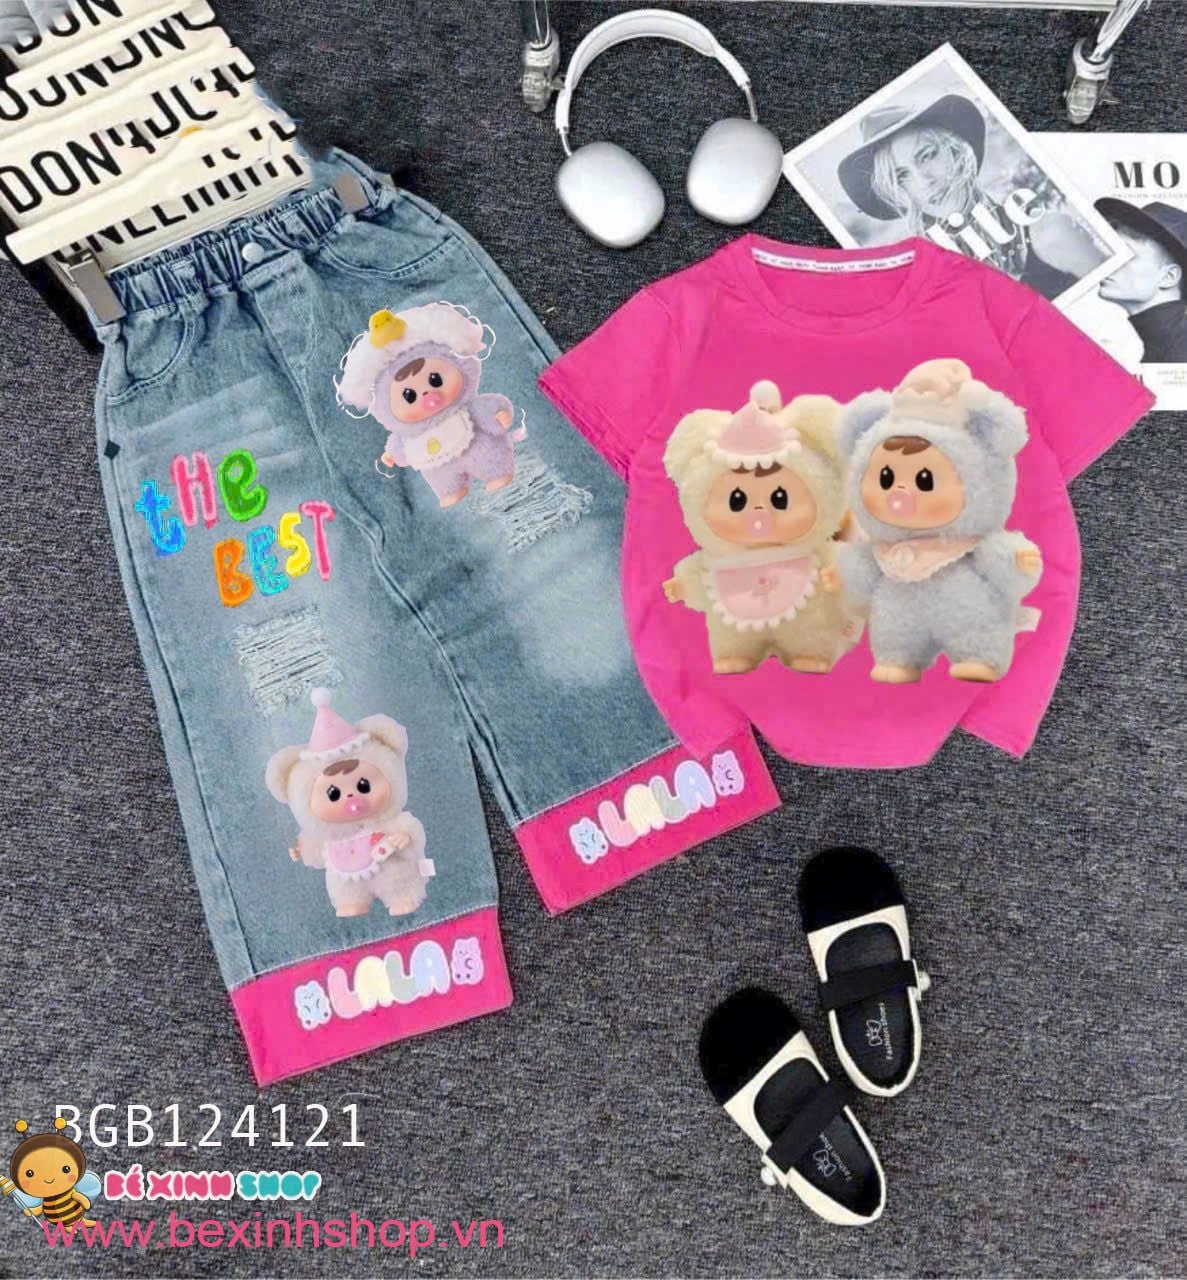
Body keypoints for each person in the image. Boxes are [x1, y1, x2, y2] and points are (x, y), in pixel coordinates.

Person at [839, 93, 1077, 299]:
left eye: (927, 155)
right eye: (901, 176)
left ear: (955, 150)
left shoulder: (1050, 234)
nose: (924, 180)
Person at [1095, 198, 1187, 363]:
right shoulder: (1163, 345)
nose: (1108, 262)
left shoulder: (1180, 348)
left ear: (1168, 277)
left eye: (1128, 255)